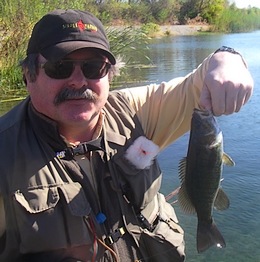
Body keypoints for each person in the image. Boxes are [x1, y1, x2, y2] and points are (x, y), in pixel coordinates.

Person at [0, 9, 254, 262]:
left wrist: (228, 59)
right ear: (28, 75)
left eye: (94, 67)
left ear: (110, 75)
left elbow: (199, 83)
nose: (78, 81)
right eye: (60, 67)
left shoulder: (134, 113)